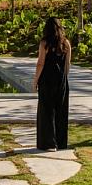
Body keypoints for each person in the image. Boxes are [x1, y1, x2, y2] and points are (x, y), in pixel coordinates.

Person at [31, 16, 71, 151]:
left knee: (47, 111)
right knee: (61, 111)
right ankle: (61, 142)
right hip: (61, 80)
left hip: (47, 80)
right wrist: (64, 79)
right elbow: (67, 65)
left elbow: (40, 63)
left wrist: (35, 81)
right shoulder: (66, 43)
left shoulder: (44, 43)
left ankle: (49, 144)